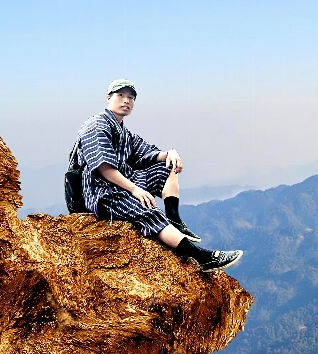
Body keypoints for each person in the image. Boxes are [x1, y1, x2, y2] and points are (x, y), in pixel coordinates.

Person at [76, 79, 243, 272]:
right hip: (104, 193)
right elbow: (103, 167)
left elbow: (144, 153)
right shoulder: (96, 126)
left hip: (123, 184)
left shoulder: (123, 130)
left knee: (167, 167)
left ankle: (174, 219)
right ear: (108, 98)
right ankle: (203, 258)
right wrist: (134, 189)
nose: (126, 101)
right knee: (146, 207)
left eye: (131, 97)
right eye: (120, 95)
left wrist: (169, 153)